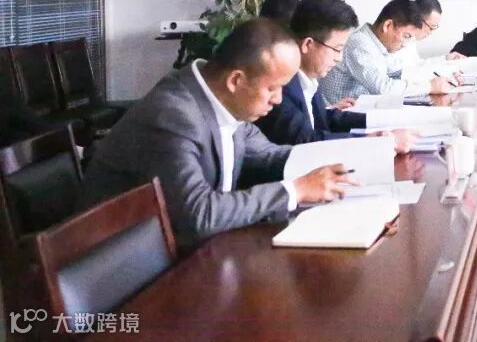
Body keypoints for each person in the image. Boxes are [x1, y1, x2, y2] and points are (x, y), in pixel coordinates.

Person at [78, 19, 355, 248]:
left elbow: (272, 155)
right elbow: (198, 213)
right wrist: (295, 190)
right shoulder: (174, 116)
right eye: (273, 88)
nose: (279, 99)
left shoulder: (220, 99)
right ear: (236, 80)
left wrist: (351, 160)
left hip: (192, 250)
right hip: (126, 268)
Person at [255, 0, 414, 151]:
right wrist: (375, 141)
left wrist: (384, 122)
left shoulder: (307, 77)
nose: (339, 58)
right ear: (308, 45)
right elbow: (306, 141)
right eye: (337, 49)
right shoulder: (282, 85)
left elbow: (324, 119)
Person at [320, 0, 458, 102]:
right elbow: (383, 88)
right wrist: (429, 87)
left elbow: (395, 75)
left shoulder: (376, 44)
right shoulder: (359, 43)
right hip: (340, 118)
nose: (405, 44)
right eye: (406, 36)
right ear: (388, 25)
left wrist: (439, 77)